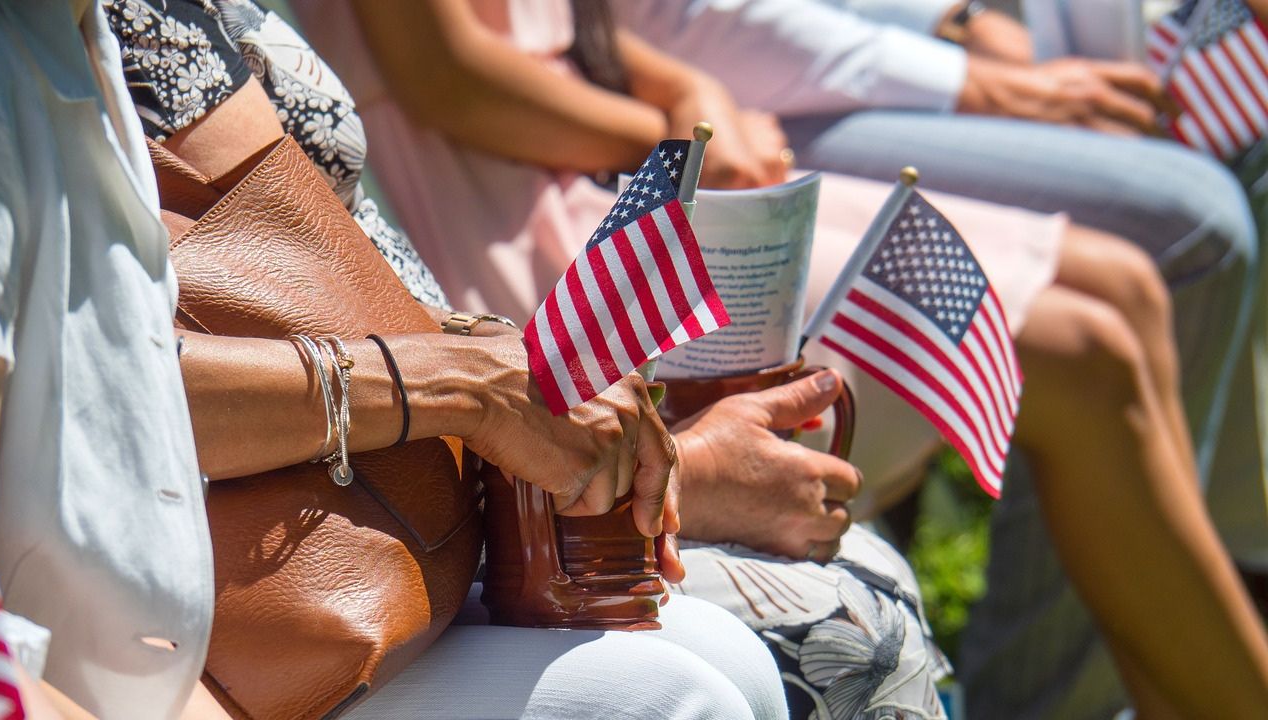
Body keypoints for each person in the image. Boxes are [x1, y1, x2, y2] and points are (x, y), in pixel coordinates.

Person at [286, 0, 1268, 716]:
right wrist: (667, 132)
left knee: (1122, 294)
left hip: (602, 164)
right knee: (1081, 352)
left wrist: (677, 86)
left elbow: (567, 26)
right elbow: (446, 74)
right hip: (543, 247)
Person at [0, 1, 789, 717]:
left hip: (424, 514)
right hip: (248, 596)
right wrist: (467, 386)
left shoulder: (73, 34)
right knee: (682, 696)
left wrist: (508, 369)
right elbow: (103, 380)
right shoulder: (22, 61)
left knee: (733, 665)